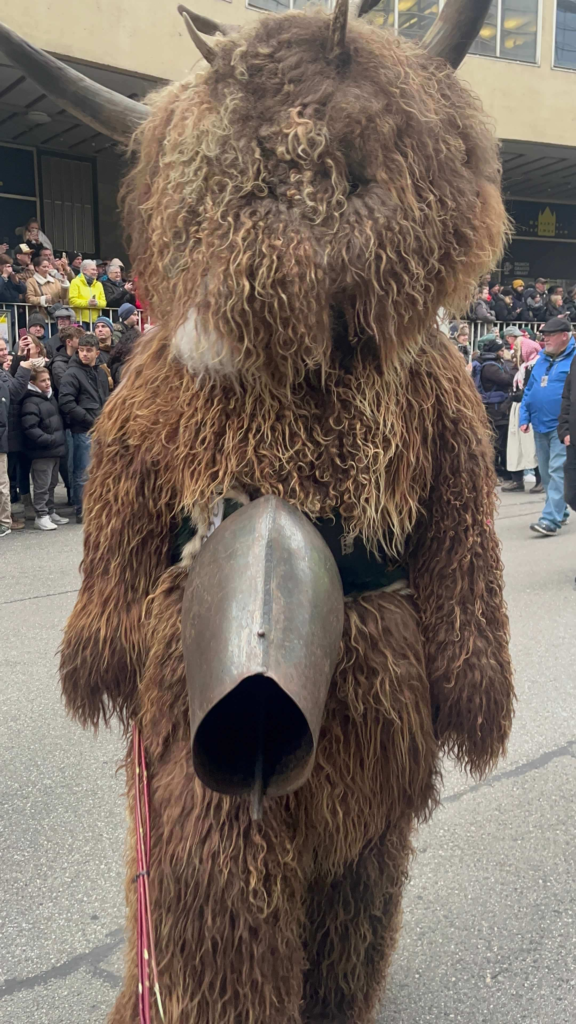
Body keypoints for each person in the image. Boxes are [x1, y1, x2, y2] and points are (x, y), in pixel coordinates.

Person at [520, 317, 576, 536]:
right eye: (544, 335)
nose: (546, 339)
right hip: (540, 424)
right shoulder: (541, 359)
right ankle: (561, 511)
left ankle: (550, 519)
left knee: (557, 470)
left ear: (564, 336)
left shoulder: (573, 359)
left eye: (550, 335)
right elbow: (529, 390)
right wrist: (524, 416)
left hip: (562, 426)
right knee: (545, 473)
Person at [58, 333, 109, 523]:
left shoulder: (101, 372)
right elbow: (66, 402)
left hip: (100, 428)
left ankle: (96, 509)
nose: (84, 354)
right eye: (81, 350)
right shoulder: (71, 373)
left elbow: (104, 399)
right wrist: (90, 421)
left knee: (98, 472)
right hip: (82, 430)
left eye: (88, 350)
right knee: (82, 473)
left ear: (97, 353)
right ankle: (82, 511)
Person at [21, 365, 69, 530]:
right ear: (32, 383)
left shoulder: (49, 397)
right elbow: (30, 428)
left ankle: (50, 511)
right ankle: (41, 515)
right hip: (42, 452)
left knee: (52, 483)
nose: (48, 383)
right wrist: (48, 440)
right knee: (42, 485)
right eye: (43, 381)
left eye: (48, 379)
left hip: (54, 450)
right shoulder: (30, 402)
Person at [0, 352, 39, 536]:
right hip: (5, 433)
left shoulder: (3, 372)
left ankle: (6, 518)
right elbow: (14, 392)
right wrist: (24, 368)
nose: (4, 352)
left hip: (9, 433)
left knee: (6, 478)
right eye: (1, 349)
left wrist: (20, 359)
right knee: (3, 481)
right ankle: (5, 520)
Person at [471, 337, 515, 480]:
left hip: (496, 407)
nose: (503, 352)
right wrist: (514, 369)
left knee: (497, 439)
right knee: (497, 441)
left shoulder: (490, 364)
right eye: (501, 350)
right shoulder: (490, 367)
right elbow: (507, 380)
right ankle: (495, 471)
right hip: (496, 409)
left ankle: (498, 470)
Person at [503, 334, 542, 493]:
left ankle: (540, 480)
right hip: (518, 407)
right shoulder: (524, 367)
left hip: (529, 408)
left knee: (530, 445)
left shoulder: (535, 365)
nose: (515, 353)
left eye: (518, 349)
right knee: (515, 444)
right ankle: (517, 480)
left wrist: (521, 395)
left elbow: (533, 387)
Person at [68, 259, 106, 325]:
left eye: (96, 270)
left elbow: (104, 303)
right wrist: (87, 303)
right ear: (84, 270)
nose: (96, 272)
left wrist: (96, 303)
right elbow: (72, 301)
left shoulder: (99, 284)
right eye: (93, 270)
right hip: (80, 319)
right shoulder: (75, 282)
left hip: (95, 320)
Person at [50, 325, 85, 394]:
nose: (83, 341)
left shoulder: (82, 358)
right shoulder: (58, 365)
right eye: (79, 338)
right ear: (69, 342)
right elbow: (66, 389)